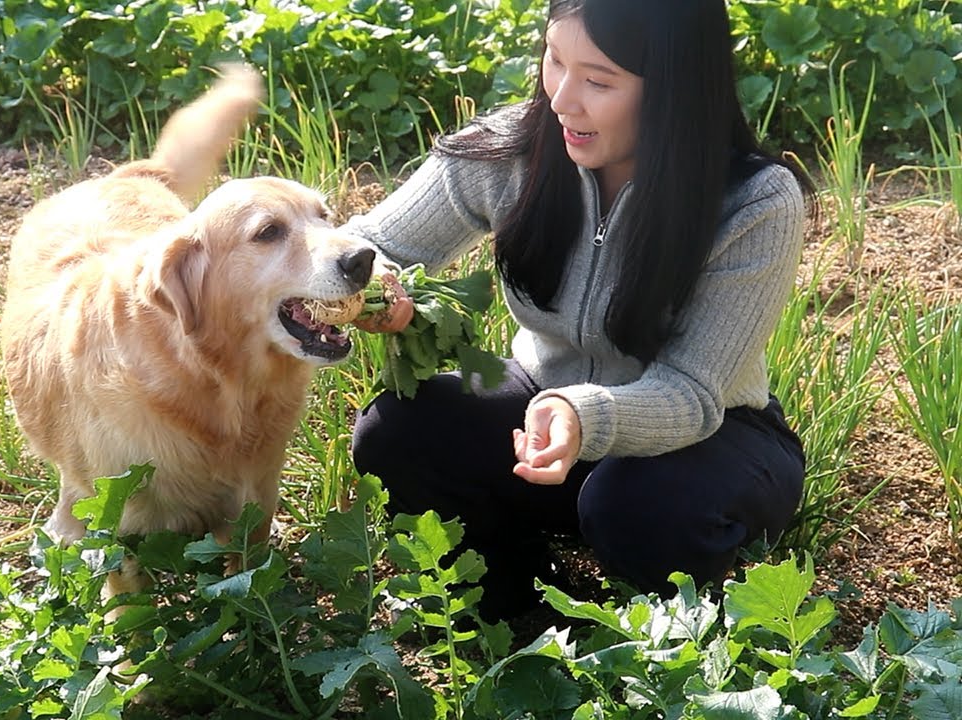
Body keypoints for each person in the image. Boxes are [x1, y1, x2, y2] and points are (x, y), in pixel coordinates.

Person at [345, 0, 812, 621]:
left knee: (635, 503)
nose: (564, 99)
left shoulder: (752, 201)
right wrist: (377, 282)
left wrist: (580, 414)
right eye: (554, 59)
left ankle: (677, 635)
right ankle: (515, 615)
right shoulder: (511, 154)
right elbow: (368, 244)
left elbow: (693, 393)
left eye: (598, 81)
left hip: (711, 438)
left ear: (674, 87)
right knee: (400, 431)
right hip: (541, 417)